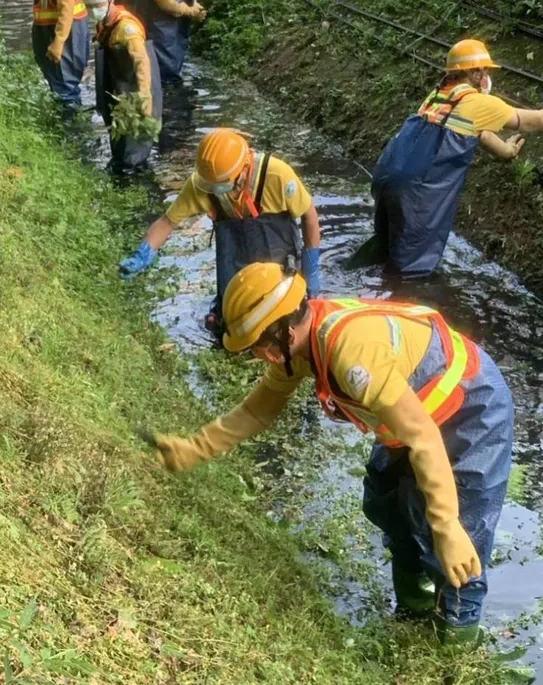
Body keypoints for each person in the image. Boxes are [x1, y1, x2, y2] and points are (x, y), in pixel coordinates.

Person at [150, 261, 513, 643]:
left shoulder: (352, 354)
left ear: (282, 332)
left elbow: (423, 438)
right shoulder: (298, 347)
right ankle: (414, 609)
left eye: (257, 346)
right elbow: (258, 410)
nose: (258, 357)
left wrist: (448, 525)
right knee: (387, 504)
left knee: (458, 545)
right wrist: (194, 449)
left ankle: (454, 646)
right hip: (413, 414)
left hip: (469, 407)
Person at [369, 38, 543, 279]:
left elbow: (476, 131)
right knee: (410, 266)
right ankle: (399, 299)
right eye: (485, 69)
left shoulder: (440, 94)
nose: (487, 74)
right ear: (475, 72)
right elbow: (539, 119)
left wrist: (506, 151)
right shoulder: (479, 102)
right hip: (418, 190)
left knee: (389, 246)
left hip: (388, 175)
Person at [119, 128, 322, 331]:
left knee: (281, 322)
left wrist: (311, 270)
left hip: (279, 260)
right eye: (211, 185)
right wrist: (144, 252)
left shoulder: (277, 175)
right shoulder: (203, 184)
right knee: (229, 325)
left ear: (243, 170)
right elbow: (167, 221)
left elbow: (309, 215)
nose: (214, 189)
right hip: (234, 264)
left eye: (222, 184)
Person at [80, 0, 162, 176]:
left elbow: (142, 62)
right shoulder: (105, 23)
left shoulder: (127, 29)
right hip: (120, 90)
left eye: (97, 4)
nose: (93, 9)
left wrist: (144, 96)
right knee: (119, 143)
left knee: (133, 153)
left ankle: (135, 189)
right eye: (88, 5)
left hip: (136, 92)